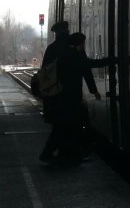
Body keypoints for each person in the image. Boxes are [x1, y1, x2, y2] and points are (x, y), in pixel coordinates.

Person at [40, 32, 111, 165]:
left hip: (61, 98)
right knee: (65, 128)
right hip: (69, 99)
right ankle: (50, 154)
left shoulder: (64, 54)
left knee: (66, 127)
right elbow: (90, 65)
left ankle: (69, 154)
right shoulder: (74, 56)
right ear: (79, 44)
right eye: (83, 43)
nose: (83, 46)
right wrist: (112, 60)